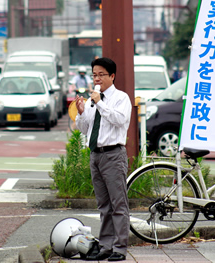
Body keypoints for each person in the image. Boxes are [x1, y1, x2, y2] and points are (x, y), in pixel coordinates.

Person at [75, 57, 132, 261]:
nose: (97, 78)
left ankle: (120, 248)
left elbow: (120, 120)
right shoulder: (92, 100)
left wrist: (99, 103)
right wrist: (82, 114)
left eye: (101, 75)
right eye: (94, 75)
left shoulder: (121, 98)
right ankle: (106, 246)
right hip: (96, 155)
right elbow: (85, 129)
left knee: (118, 204)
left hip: (113, 154)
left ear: (112, 76)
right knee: (104, 205)